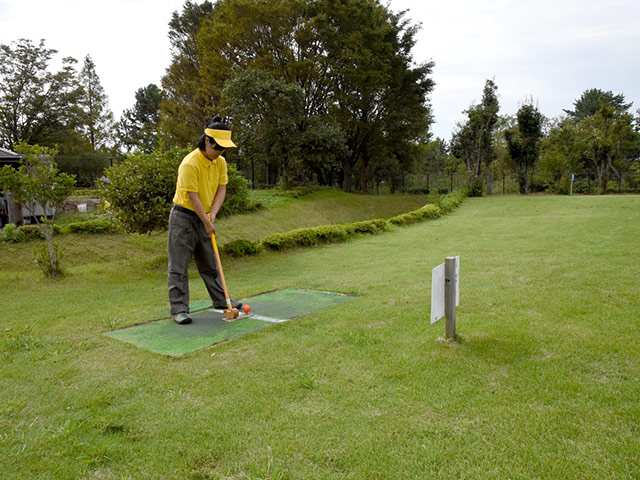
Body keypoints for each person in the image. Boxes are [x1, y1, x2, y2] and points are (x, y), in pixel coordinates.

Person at [168, 116, 242, 325]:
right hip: (183, 216)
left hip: (206, 215)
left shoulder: (220, 162)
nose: (220, 153)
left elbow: (221, 189)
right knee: (179, 265)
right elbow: (193, 197)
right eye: (218, 148)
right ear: (207, 141)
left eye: (223, 150)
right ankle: (179, 309)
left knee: (210, 262)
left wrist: (213, 214)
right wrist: (207, 221)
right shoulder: (190, 164)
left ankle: (221, 300)